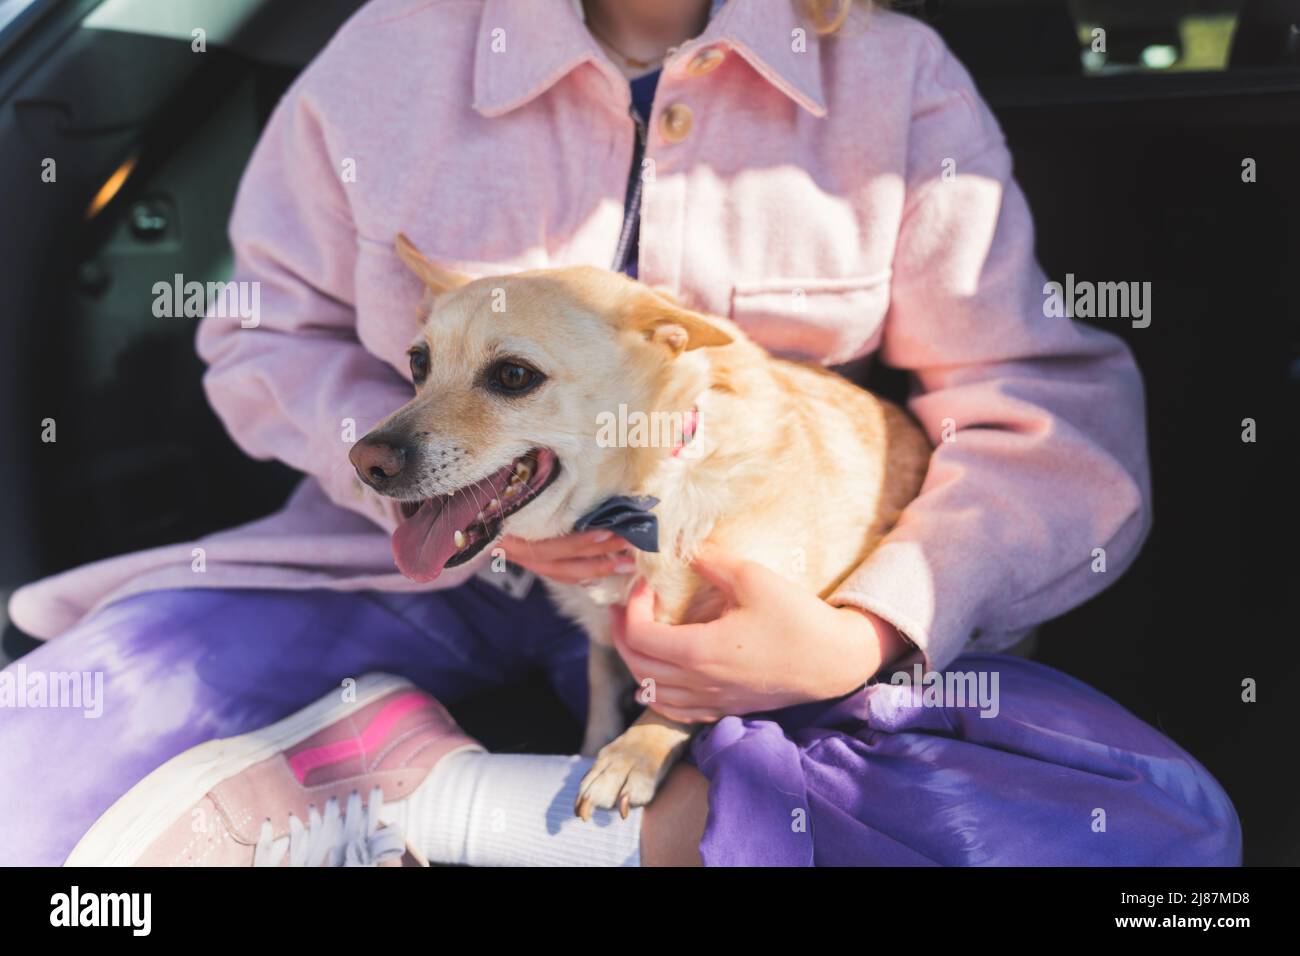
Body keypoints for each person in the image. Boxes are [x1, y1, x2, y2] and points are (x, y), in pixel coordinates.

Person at [0, 0, 1240, 866]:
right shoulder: (387, 53)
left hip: (740, 596)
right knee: (30, 778)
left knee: (1148, 839)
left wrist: (862, 631)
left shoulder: (890, 75)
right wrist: (413, 476)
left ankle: (431, 798)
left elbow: (1038, 409)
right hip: (395, 560)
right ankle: (611, 823)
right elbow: (258, 335)